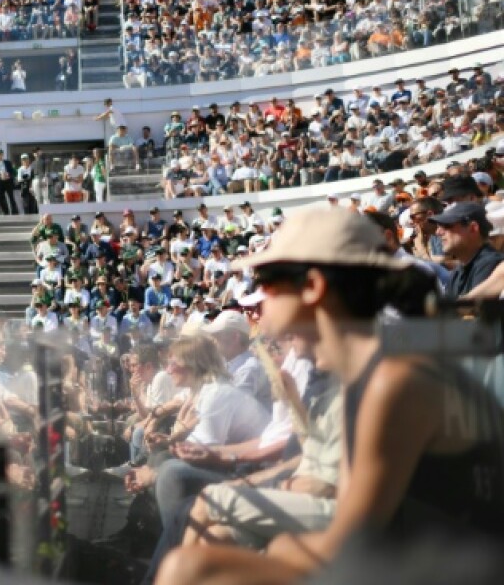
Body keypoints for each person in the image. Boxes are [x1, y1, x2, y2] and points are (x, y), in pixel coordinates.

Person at [158, 207, 504, 585]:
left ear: (313, 287)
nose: (256, 299)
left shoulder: (391, 378)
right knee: (221, 546)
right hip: (417, 554)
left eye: (268, 280)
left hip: (450, 567)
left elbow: (355, 539)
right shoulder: (365, 370)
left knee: (191, 566)